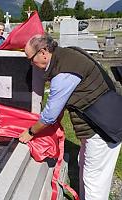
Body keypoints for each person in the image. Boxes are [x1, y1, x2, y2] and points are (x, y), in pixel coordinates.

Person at [20, 33, 121, 200]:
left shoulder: (63, 73)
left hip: (102, 130)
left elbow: (50, 115)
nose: (31, 63)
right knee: (86, 166)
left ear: (43, 52)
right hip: (101, 123)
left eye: (30, 59)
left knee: (94, 181)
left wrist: (30, 132)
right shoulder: (68, 54)